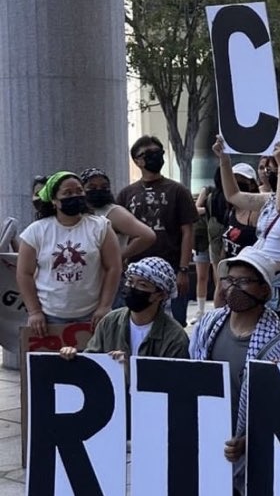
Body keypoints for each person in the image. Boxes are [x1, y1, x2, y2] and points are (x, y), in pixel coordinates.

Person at [189, 246, 280, 494]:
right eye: (229, 280)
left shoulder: (277, 347)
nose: (233, 288)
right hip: (207, 439)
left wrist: (248, 441)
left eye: (244, 281)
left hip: (248, 453)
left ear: (264, 290)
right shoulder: (208, 325)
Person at [213, 138, 280, 363]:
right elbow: (234, 196)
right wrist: (224, 160)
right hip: (262, 281)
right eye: (266, 166)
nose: (268, 171)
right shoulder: (269, 199)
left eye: (274, 165)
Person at [17, 172, 123, 339]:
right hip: (49, 317)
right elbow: (24, 273)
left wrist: (104, 306)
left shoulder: (101, 227)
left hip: (93, 314)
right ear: (54, 200)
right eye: (67, 193)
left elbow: (114, 267)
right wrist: (34, 311)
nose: (75, 196)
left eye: (79, 191)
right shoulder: (35, 231)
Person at [116, 137, 198, 324]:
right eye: (149, 154)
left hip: (171, 268)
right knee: (136, 321)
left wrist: (184, 270)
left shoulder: (178, 190)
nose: (156, 157)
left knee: (174, 323)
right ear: (137, 160)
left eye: (158, 153)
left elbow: (187, 231)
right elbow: (117, 232)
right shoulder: (126, 194)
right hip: (136, 273)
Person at [61, 257, 189, 366]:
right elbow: (91, 362)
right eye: (130, 281)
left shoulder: (174, 337)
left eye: (142, 285)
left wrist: (131, 370)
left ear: (161, 295)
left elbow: (173, 381)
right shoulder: (110, 322)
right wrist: (72, 356)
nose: (133, 288)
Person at [79, 169, 156, 267]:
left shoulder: (113, 212)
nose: (98, 190)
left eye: (104, 187)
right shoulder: (79, 213)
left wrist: (118, 257)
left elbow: (147, 236)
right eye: (92, 187)